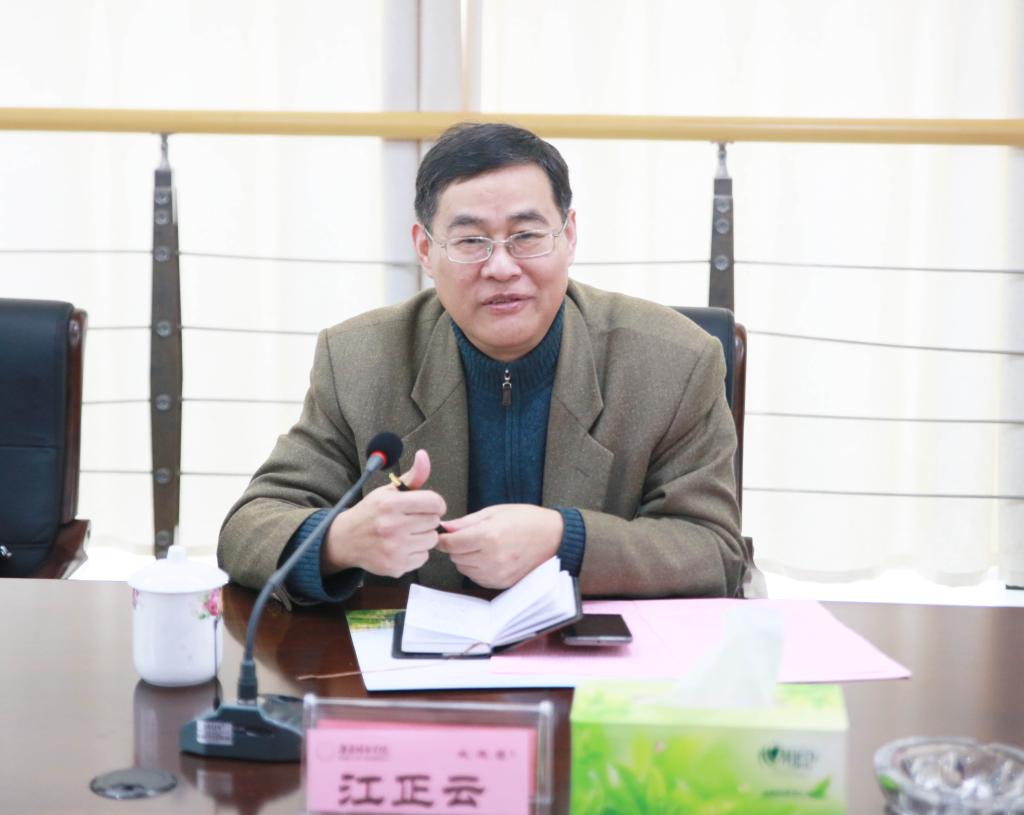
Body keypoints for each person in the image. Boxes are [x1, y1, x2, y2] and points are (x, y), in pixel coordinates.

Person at [219, 122, 747, 604]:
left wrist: (565, 540)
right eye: (471, 240)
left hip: (594, 657)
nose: (500, 266)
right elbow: (249, 528)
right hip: (420, 666)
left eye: (527, 236)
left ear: (569, 237)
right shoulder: (359, 359)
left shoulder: (675, 361)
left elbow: (714, 550)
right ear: (425, 250)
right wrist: (340, 540)